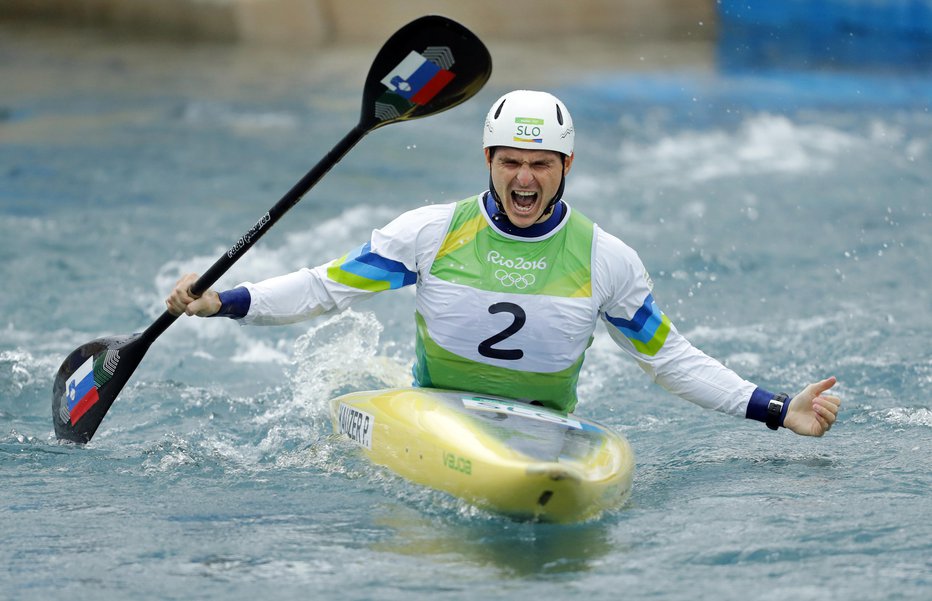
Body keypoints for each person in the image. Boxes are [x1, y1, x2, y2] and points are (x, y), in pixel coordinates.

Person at [167, 90, 840, 436]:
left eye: (540, 163)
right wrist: (220, 300)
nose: (524, 177)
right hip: (434, 417)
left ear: (566, 166)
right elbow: (325, 288)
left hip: (547, 430)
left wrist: (778, 409)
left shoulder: (606, 259)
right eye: (510, 161)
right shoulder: (430, 234)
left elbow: (668, 358)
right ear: (487, 161)